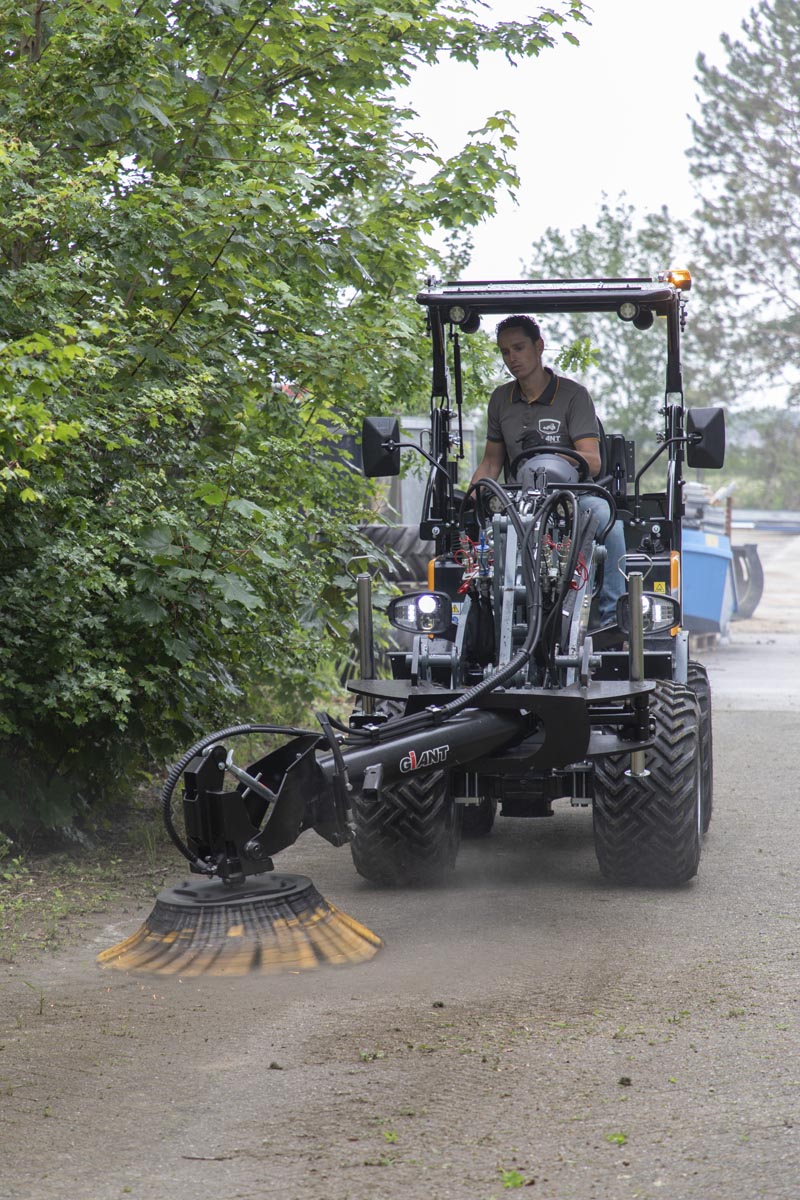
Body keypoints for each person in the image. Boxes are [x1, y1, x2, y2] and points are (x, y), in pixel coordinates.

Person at [470, 315, 626, 625]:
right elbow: (491, 462)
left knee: (610, 523)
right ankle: (484, 617)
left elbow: (592, 460)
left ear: (539, 347)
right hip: (518, 501)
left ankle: (612, 619)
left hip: (573, 497)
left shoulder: (573, 396)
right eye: (505, 352)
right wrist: (471, 496)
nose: (512, 358)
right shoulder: (500, 399)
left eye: (519, 348)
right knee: (479, 528)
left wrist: (550, 456)